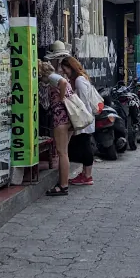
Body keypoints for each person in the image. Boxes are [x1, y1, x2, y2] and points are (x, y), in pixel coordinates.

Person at [54, 54, 97, 186]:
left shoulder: (79, 80)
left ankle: (87, 175)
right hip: (83, 117)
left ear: (71, 67)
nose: (64, 72)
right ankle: (85, 174)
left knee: (85, 146)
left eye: (65, 69)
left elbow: (82, 101)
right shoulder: (80, 79)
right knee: (85, 145)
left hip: (82, 117)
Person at [38, 58, 73, 196]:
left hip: (61, 118)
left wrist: (62, 98)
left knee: (62, 152)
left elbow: (63, 83)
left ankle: (63, 186)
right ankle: (63, 183)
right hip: (67, 118)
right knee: (64, 152)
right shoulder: (55, 78)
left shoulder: (53, 78)